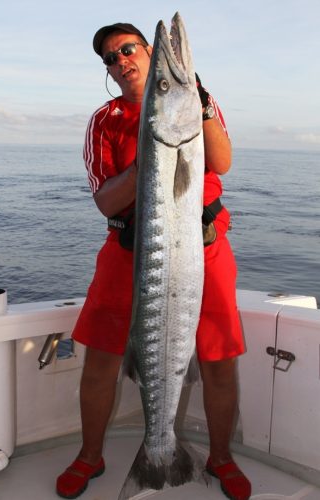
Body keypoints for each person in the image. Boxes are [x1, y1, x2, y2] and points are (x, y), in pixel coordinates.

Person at [56, 21, 251, 500]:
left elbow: (221, 161)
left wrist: (193, 101)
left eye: (127, 49)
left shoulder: (194, 101)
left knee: (219, 359)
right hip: (126, 251)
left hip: (203, 249)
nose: (120, 61)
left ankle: (220, 458)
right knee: (101, 357)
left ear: (145, 51)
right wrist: (149, 159)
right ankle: (90, 455)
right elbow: (104, 200)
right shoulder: (105, 120)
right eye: (109, 58)